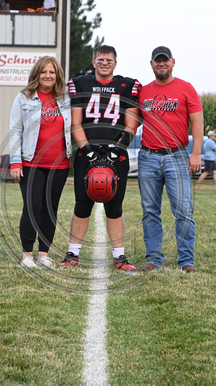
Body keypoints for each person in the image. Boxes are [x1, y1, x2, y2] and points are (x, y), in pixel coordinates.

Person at [62, 45, 141, 271]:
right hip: (88, 150)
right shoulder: (81, 83)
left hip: (117, 151)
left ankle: (120, 256)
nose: (104, 63)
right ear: (93, 61)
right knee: (82, 204)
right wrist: (87, 150)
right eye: (100, 59)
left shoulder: (126, 86)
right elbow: (76, 122)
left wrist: (116, 150)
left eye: (108, 60)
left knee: (115, 205)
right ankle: (72, 254)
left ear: (115, 63)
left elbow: (131, 124)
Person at [137, 46, 204, 273]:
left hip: (177, 155)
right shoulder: (144, 92)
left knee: (183, 211)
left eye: (165, 61)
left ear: (173, 62)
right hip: (148, 156)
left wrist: (196, 154)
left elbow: (197, 122)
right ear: (152, 64)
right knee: (149, 211)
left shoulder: (186, 88)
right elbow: (133, 121)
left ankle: (186, 261)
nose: (161, 64)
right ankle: (153, 260)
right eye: (158, 61)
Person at [9, 56, 71, 268]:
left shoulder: (64, 99)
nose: (48, 75)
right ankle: (27, 255)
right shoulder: (24, 98)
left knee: (49, 209)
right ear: (37, 74)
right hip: (31, 163)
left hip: (59, 166)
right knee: (32, 207)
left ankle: (43, 254)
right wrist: (15, 161)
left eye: (52, 72)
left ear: (57, 76)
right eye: (44, 72)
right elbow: (16, 131)